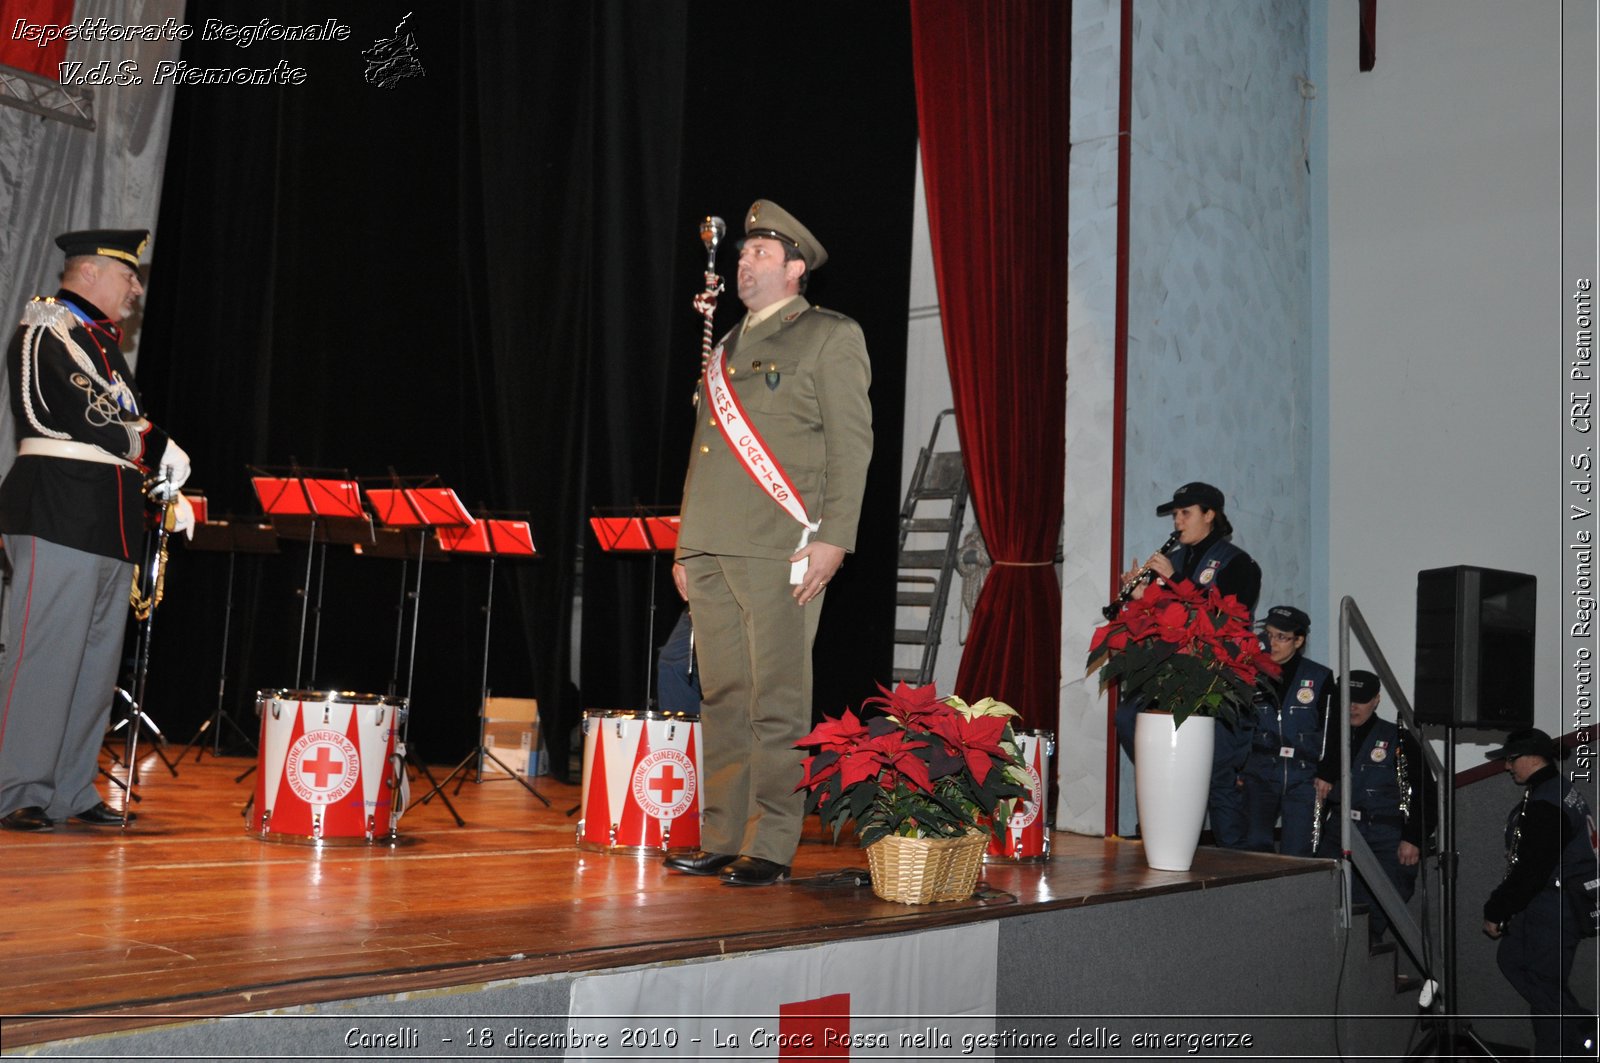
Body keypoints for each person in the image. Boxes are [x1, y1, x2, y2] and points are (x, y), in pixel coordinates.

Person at [663, 201, 872, 887]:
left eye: (759, 252)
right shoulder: (723, 346)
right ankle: (722, 834)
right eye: (743, 250)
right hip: (714, 544)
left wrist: (835, 537)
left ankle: (773, 842)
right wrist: (686, 545)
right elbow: (705, 452)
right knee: (724, 694)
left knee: (776, 696)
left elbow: (851, 445)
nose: (743, 260)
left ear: (795, 268)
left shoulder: (827, 337)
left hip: (782, 544)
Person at [0, 229, 192, 833]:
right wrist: (155, 442)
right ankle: (17, 787)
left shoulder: (101, 345)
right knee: (44, 655)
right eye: (126, 275)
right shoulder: (46, 329)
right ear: (87, 273)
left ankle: (69, 788)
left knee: (94, 664)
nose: (135, 286)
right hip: (57, 508)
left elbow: (120, 422)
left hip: (109, 516)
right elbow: (90, 412)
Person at [1114, 481, 1261, 848]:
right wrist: (1139, 596)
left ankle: (1236, 866)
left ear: (1210, 515)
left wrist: (1173, 581)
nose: (1178, 522)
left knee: (1217, 776)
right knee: (1128, 717)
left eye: (1186, 513)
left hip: (1216, 677)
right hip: (1170, 674)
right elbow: (1163, 619)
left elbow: (1225, 619)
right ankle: (1162, 833)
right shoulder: (1175, 560)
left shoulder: (1238, 563)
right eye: (1176, 515)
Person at [1481, 728, 1597, 1061]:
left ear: (1532, 757)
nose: (1507, 767)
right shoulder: (1551, 791)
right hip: (1548, 902)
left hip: (1554, 905)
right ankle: (1580, 1026)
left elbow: (1532, 869)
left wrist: (1497, 909)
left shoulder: (1547, 802)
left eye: (1510, 759)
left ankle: (1566, 1043)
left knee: (1546, 989)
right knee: (1513, 960)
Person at [1313, 669, 1436, 945]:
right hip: (1340, 828)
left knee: (1382, 899)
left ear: (1376, 700)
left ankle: (1366, 948)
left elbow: (1423, 793)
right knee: (1321, 888)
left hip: (1384, 831)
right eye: (1347, 700)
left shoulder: (1397, 739)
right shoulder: (1327, 736)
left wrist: (1413, 837)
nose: (1353, 707)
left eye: (1361, 700)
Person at [1242, 605, 1332, 856]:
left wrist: (1328, 773)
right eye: (1268, 634)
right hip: (1260, 771)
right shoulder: (1251, 673)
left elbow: (1332, 729)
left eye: (1281, 637)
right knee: (1255, 845)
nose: (1273, 643)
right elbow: (1240, 724)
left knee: (1298, 849)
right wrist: (1239, 766)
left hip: (1304, 776)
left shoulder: (1319, 676)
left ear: (1299, 640)